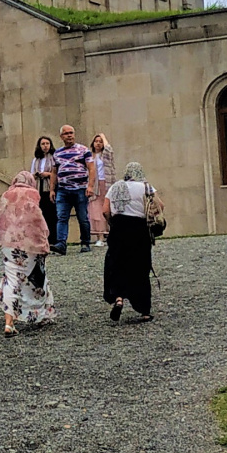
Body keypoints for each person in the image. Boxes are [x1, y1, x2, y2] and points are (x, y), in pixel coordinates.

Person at [0, 171, 54, 334]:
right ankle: (42, 313)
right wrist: (45, 237)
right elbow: (37, 218)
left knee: (11, 280)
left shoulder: (6, 195)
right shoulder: (32, 193)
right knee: (38, 277)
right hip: (30, 243)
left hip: (9, 242)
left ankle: (8, 322)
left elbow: (2, 218)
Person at [102, 162, 161, 322]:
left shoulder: (114, 187)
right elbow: (159, 206)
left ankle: (119, 298)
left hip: (118, 227)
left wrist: (112, 223)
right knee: (140, 267)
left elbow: (105, 210)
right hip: (139, 229)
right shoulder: (146, 187)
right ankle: (144, 310)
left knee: (117, 264)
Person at [50, 125, 95, 254]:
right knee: (62, 217)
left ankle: (85, 242)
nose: (69, 135)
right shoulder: (57, 153)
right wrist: (52, 190)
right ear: (61, 136)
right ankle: (61, 244)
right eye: (66, 133)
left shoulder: (84, 150)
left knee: (82, 217)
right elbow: (54, 172)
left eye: (71, 133)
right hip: (63, 190)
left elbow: (91, 168)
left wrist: (90, 186)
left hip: (80, 189)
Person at [31, 134, 58, 243]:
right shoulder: (36, 160)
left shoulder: (54, 158)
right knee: (41, 214)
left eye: (47, 143)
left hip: (50, 187)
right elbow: (31, 173)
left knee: (52, 214)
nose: (45, 146)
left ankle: (53, 239)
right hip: (39, 187)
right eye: (43, 144)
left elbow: (56, 173)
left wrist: (47, 174)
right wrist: (37, 174)